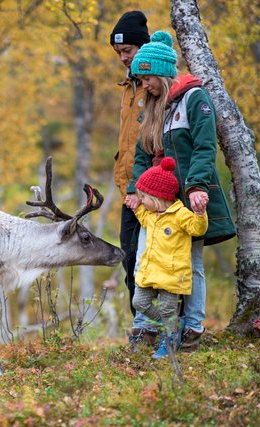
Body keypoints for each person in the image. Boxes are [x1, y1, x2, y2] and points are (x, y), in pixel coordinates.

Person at [125, 30, 236, 352]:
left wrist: (198, 186)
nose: (143, 85)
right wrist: (135, 189)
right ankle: (149, 328)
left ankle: (192, 328)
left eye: (146, 78)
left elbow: (204, 147)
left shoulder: (194, 99)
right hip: (157, 200)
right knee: (144, 258)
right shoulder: (152, 110)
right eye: (140, 79)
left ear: (161, 72)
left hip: (187, 197)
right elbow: (142, 155)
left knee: (193, 263)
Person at [109, 10, 158, 347]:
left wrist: (147, 186)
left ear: (143, 46)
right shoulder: (128, 86)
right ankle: (141, 330)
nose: (123, 57)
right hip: (129, 189)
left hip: (154, 189)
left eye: (128, 50)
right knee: (130, 257)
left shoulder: (155, 83)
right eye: (119, 52)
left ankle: (166, 328)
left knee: (156, 261)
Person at [131, 157, 208, 359]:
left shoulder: (179, 214)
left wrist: (200, 214)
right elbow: (141, 216)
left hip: (171, 276)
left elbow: (196, 228)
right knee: (139, 302)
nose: (142, 201)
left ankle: (169, 338)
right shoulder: (150, 214)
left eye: (143, 197)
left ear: (157, 197)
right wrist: (135, 205)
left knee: (167, 308)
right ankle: (174, 326)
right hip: (150, 273)